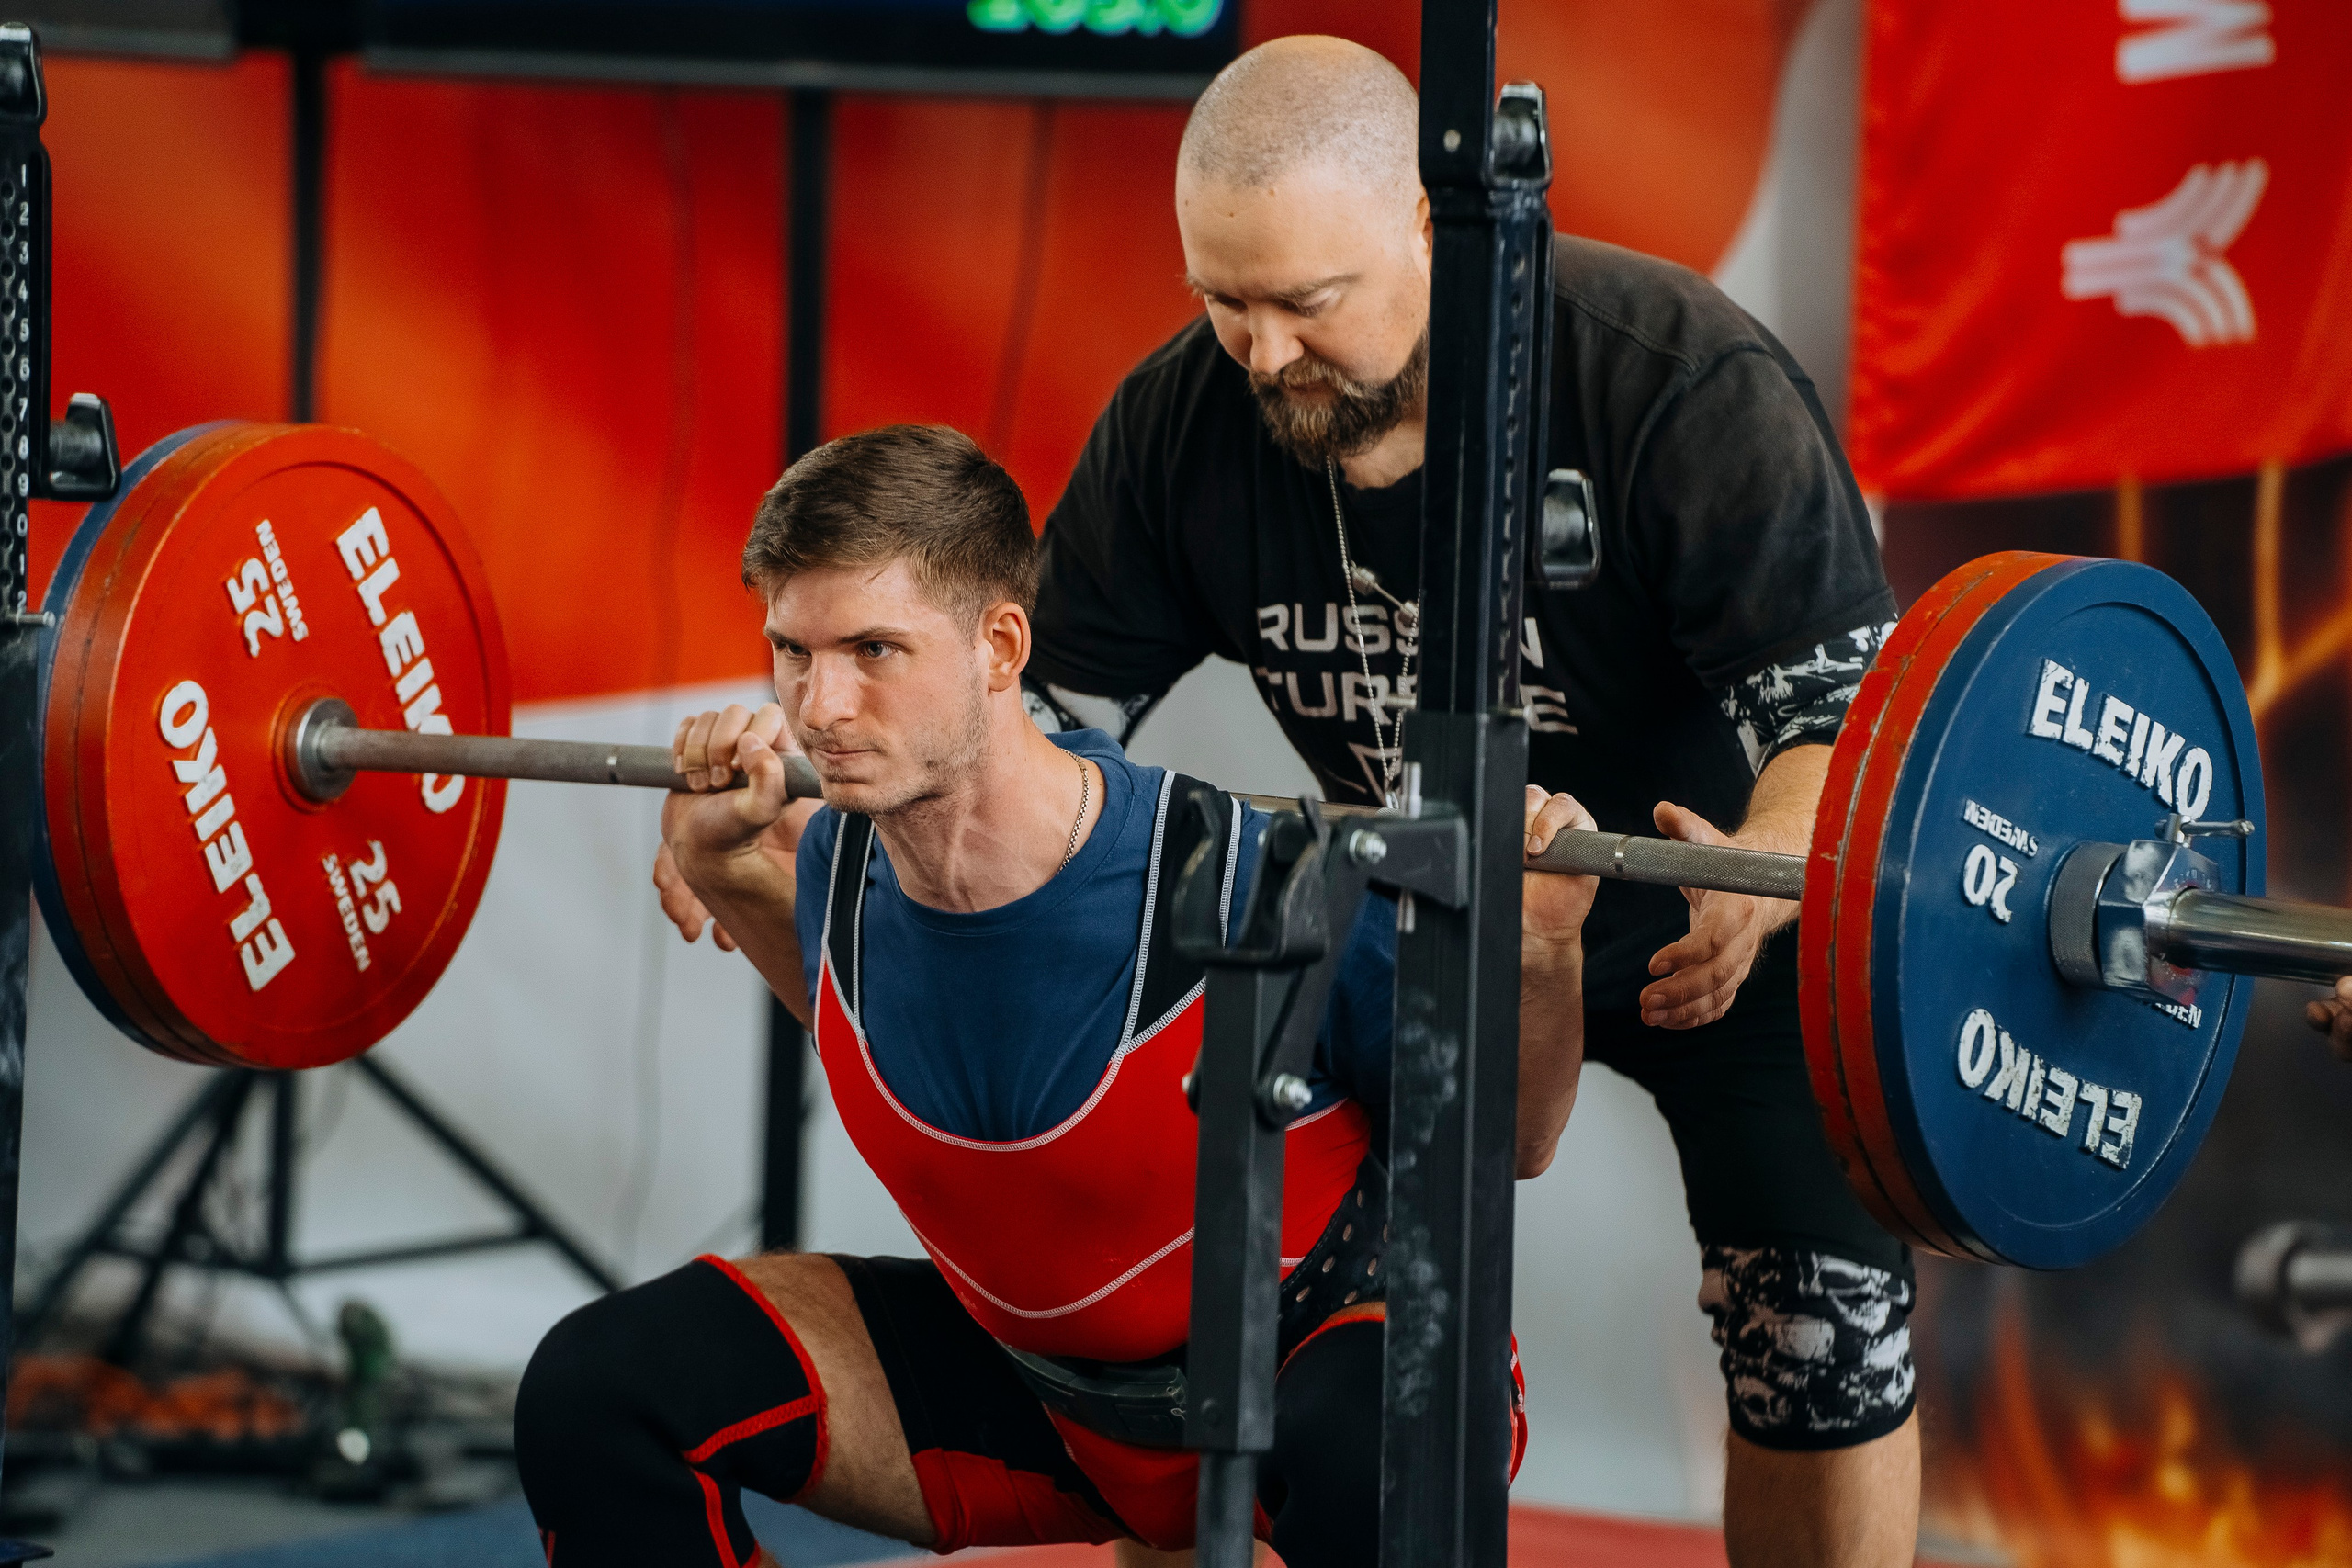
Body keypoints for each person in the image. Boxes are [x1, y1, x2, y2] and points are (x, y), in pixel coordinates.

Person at [1021, 36, 1917, 1568]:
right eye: (1222, 305)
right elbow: (1047, 720)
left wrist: (1768, 864)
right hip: (1414, 925)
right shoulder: (1184, 424)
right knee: (1209, 1305)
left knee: (1818, 1327)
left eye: (1307, 303)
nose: (1264, 355)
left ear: (1439, 225)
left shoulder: (1670, 377)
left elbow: (1838, 720)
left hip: (1718, 920)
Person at [513, 424, 1598, 1566]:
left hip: (1310, 1375)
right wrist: (727, 867)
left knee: (1385, 1457)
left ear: (1000, 644)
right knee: (600, 1393)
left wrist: (1540, 953)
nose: (820, 707)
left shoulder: (1250, 876)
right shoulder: (828, 863)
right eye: (793, 650)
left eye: (874, 649)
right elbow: (864, 1032)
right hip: (1042, 1407)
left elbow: (1513, 1141)